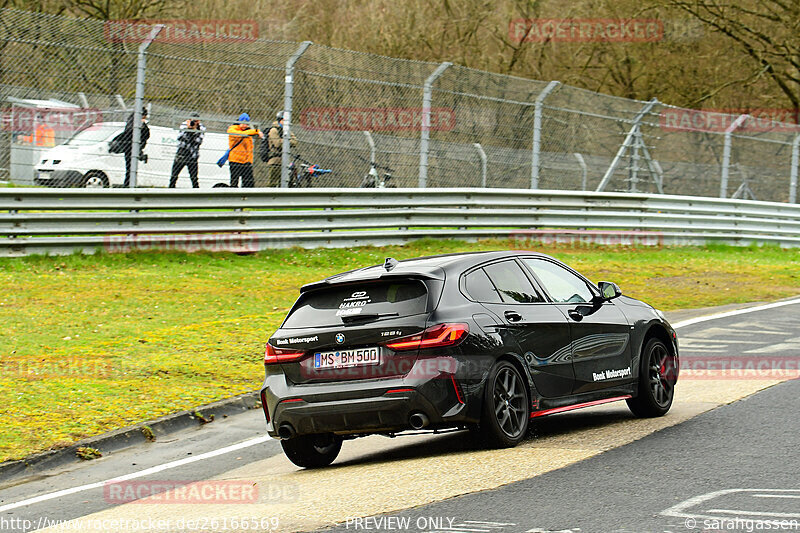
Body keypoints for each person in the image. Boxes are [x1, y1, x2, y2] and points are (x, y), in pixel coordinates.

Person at [226, 113, 264, 188]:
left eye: (246, 124)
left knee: (249, 183)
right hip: (236, 160)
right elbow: (241, 134)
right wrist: (256, 131)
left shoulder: (249, 131)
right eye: (242, 123)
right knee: (234, 182)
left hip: (246, 161)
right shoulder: (232, 129)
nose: (244, 126)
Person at [169, 112, 205, 188]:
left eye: (196, 121)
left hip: (193, 155)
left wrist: (195, 130)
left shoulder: (201, 127)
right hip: (182, 153)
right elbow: (180, 138)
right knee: (174, 176)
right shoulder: (184, 125)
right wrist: (188, 129)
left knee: (194, 178)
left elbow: (198, 141)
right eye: (192, 120)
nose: (194, 122)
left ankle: (196, 193)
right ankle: (170, 190)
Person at [119, 109, 150, 188]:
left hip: (131, 147)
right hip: (130, 147)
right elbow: (143, 133)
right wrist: (142, 125)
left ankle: (129, 185)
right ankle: (128, 185)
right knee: (130, 169)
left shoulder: (132, 121)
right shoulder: (134, 122)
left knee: (130, 169)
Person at [265, 111, 297, 187]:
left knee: (283, 183)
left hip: (285, 161)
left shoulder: (287, 130)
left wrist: (284, 140)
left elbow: (295, 142)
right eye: (284, 120)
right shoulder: (274, 130)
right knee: (272, 184)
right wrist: (287, 140)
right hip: (275, 161)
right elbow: (277, 144)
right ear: (280, 120)